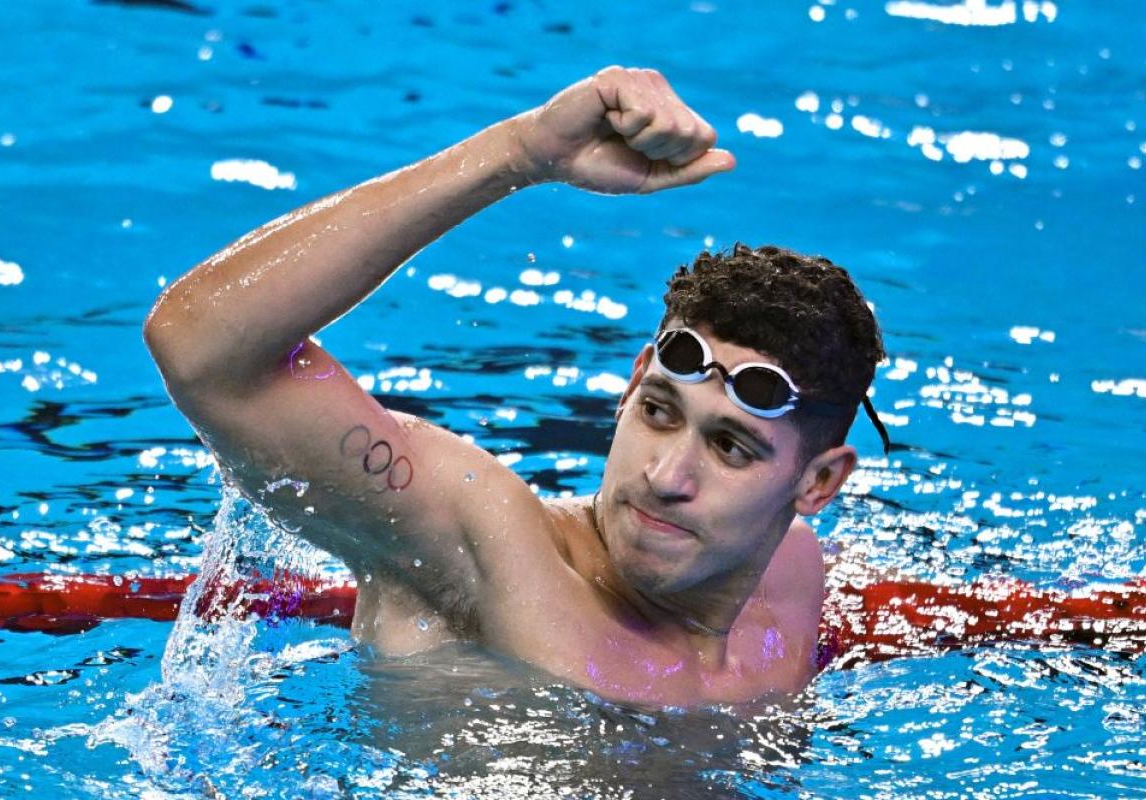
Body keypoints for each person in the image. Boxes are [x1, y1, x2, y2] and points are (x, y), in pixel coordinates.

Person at [144, 66, 889, 707]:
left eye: (730, 448)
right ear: (632, 384)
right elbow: (203, 349)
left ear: (818, 481)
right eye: (660, 412)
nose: (666, 478)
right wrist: (521, 152)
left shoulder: (789, 577)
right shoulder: (488, 552)